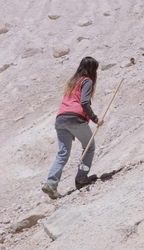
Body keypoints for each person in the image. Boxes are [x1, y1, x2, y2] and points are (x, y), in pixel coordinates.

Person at [42, 56, 104, 199]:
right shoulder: (87, 81)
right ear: (91, 69)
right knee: (89, 147)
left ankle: (51, 183)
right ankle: (81, 178)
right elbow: (84, 103)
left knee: (62, 153)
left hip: (61, 119)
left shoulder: (72, 82)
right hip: (75, 119)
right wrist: (95, 119)